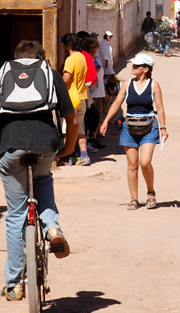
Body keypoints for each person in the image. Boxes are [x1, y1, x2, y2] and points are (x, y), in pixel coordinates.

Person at [0, 40, 77, 301]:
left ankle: (14, 283)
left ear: (17, 58)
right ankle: (52, 228)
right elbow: (72, 119)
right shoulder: (51, 75)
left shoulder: (5, 74)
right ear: (40, 58)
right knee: (43, 178)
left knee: (15, 216)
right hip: (46, 146)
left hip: (11, 148)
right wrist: (67, 148)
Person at [100, 53, 168, 210]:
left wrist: (163, 128)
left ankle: (150, 192)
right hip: (129, 127)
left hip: (149, 127)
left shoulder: (153, 86)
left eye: (137, 66)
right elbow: (117, 102)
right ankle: (134, 199)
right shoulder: (127, 84)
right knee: (132, 164)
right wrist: (105, 121)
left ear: (145, 69)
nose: (133, 67)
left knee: (145, 162)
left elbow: (160, 108)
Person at [60, 33, 91, 165]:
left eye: (65, 46)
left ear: (69, 45)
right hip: (82, 97)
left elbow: (66, 80)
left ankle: (67, 157)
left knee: (67, 129)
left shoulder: (71, 59)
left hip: (71, 99)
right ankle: (84, 155)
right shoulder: (82, 58)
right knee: (80, 129)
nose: (64, 48)